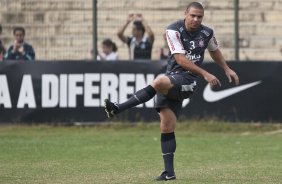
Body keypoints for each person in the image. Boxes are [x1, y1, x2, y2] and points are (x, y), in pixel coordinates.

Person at [104, 2, 239, 181]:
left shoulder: (207, 33)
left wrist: (226, 68)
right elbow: (180, 59)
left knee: (159, 81)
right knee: (166, 127)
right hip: (173, 78)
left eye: (200, 16)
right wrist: (206, 73)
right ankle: (169, 172)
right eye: (193, 15)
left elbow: (214, 51)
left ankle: (118, 108)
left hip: (188, 81)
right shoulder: (173, 30)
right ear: (186, 14)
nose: (196, 19)